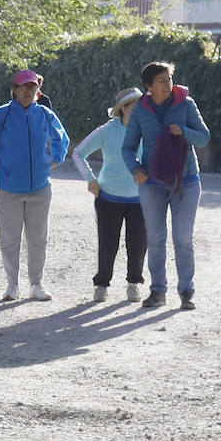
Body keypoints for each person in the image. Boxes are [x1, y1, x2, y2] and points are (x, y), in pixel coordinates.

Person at [122, 60, 211, 311]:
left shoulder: (186, 104)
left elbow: (204, 138)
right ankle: (157, 291)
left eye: (169, 79)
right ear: (149, 86)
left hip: (187, 181)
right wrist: (135, 169)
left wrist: (182, 131)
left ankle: (186, 291)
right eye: (162, 81)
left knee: (183, 237)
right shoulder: (140, 110)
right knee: (156, 238)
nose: (168, 85)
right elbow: (128, 148)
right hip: (151, 183)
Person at [0, 69, 70, 302]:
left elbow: (62, 138)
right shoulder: (1, 114)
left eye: (33, 87)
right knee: (10, 239)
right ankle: (12, 286)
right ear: (14, 89)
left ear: (38, 91)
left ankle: (36, 284)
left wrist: (54, 161)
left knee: (38, 238)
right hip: (7, 188)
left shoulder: (45, 113)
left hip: (40, 187)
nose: (28, 91)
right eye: (24, 87)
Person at [71, 87, 147, 303]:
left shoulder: (147, 130)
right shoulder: (106, 131)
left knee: (138, 242)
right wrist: (90, 180)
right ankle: (101, 285)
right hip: (108, 198)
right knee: (108, 243)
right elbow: (78, 153)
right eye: (137, 104)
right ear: (124, 108)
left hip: (139, 198)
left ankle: (134, 284)